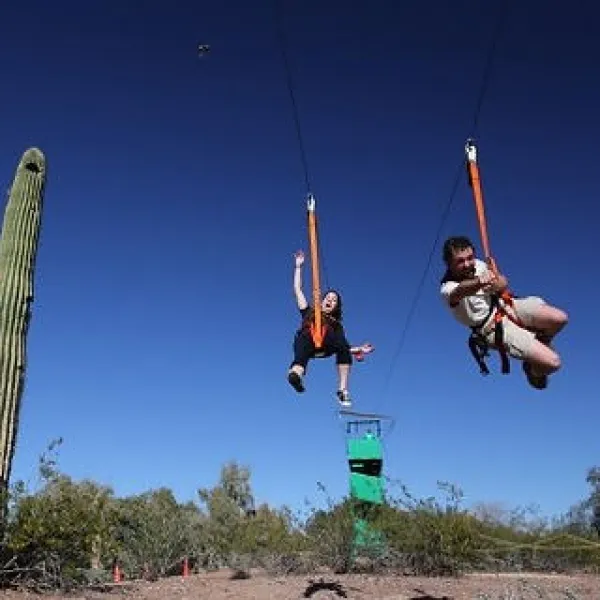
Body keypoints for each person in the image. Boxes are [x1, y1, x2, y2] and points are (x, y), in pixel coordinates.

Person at [439, 236, 568, 390]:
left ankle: (540, 344)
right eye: (460, 261)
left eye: (470, 258)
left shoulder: (479, 265)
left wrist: (497, 282)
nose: (467, 264)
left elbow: (503, 283)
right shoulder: (447, 289)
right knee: (553, 363)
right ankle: (533, 370)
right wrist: (480, 282)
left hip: (505, 305)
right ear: (449, 264)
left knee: (560, 318)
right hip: (491, 327)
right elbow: (459, 291)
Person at [287, 250, 373, 407]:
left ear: (336, 306)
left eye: (334, 300)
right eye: (328, 297)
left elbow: (343, 347)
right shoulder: (309, 311)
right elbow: (298, 290)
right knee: (302, 341)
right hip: (308, 343)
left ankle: (342, 390)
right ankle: (296, 375)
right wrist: (298, 267)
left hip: (326, 346)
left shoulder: (336, 325)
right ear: (322, 300)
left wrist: (359, 349)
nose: (330, 300)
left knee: (342, 344)